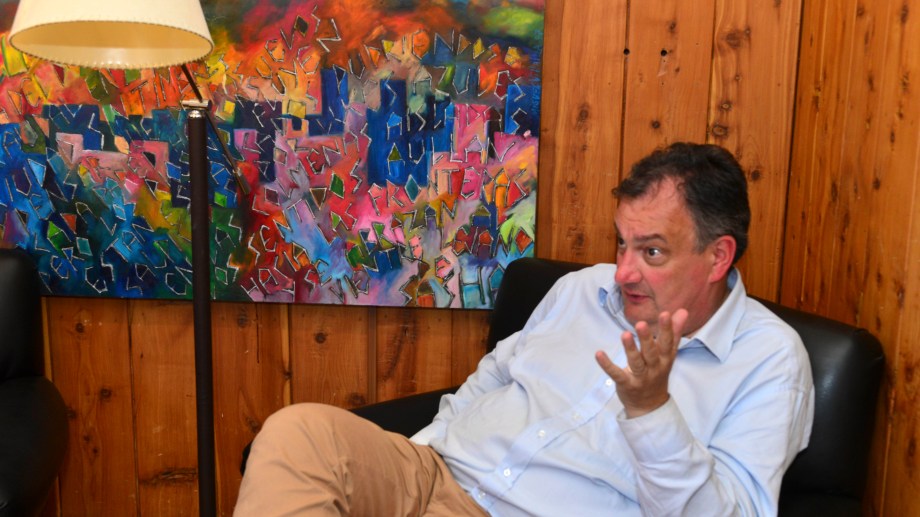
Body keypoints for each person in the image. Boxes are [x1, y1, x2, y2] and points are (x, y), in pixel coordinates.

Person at [235, 142, 814, 516]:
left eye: (652, 251)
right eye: (622, 243)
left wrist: (651, 412)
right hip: (438, 475)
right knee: (298, 433)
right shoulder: (581, 290)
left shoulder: (770, 361)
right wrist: (423, 456)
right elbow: (494, 377)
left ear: (718, 257)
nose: (624, 271)